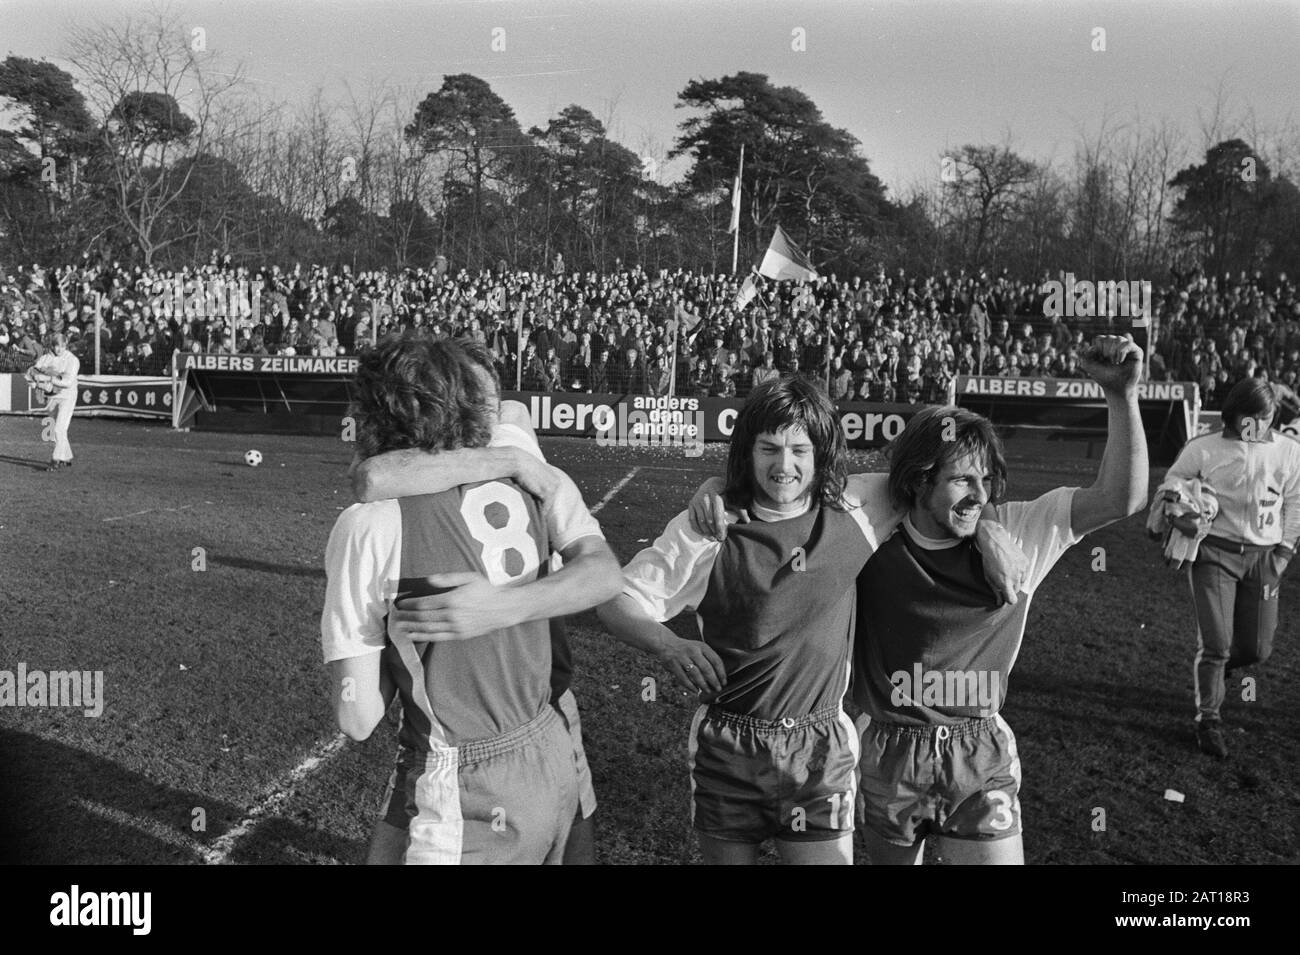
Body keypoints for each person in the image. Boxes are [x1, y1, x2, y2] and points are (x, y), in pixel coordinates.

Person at [597, 377, 1027, 865]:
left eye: (800, 449)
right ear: (747, 450)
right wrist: (666, 644)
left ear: (821, 453)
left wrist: (988, 524)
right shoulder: (710, 529)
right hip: (729, 745)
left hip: (819, 749)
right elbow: (617, 600)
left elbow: (943, 480)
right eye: (769, 448)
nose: (785, 465)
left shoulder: (858, 508)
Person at [321, 337, 621, 865]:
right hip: (545, 738)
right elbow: (374, 474)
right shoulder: (523, 474)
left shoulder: (367, 526)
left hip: (463, 773)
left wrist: (395, 648)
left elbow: (358, 719)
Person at [851, 335, 1147, 865]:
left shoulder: (1021, 532)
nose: (981, 494)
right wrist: (716, 483)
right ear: (919, 481)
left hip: (978, 750)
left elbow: (1122, 497)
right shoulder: (869, 533)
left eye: (986, 479)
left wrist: (1122, 396)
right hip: (887, 750)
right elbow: (788, 491)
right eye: (963, 479)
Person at [1162, 377, 1300, 758]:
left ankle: (1219, 668)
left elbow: (1296, 502)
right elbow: (1173, 480)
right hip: (1214, 554)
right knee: (1217, 644)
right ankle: (1208, 719)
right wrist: (1179, 501)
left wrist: (1285, 553)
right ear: (1234, 414)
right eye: (1250, 416)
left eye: (1266, 416)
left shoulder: (1289, 451)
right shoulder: (1203, 448)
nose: (1257, 424)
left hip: (1265, 557)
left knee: (1257, 649)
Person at [25, 332, 80, 471]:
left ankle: (55, 460)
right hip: (52, 396)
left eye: (62, 346)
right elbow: (30, 373)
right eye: (56, 346)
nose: (59, 349)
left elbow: (67, 382)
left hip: (68, 395)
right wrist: (33, 382)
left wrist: (48, 379)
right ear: (52, 346)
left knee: (59, 429)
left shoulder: (72, 360)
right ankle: (66, 457)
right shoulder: (46, 358)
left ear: (66, 345)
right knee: (59, 429)